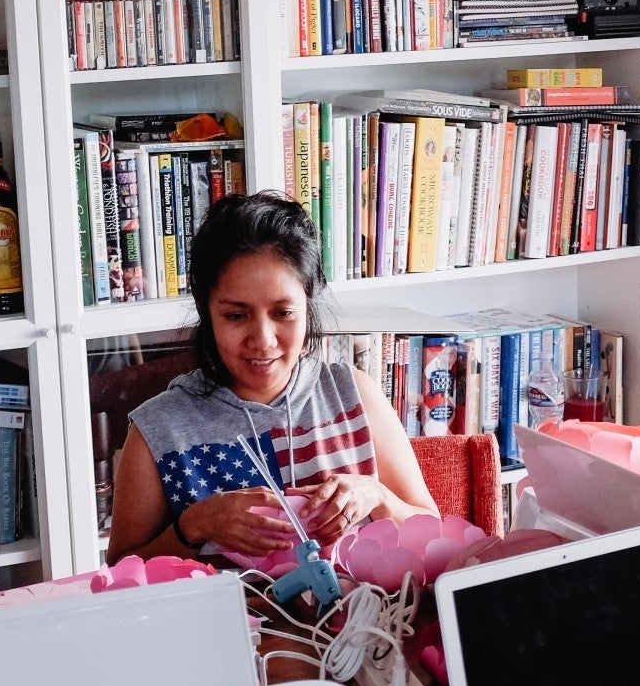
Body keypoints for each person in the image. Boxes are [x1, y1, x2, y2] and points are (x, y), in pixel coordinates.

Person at [109, 192, 439, 564]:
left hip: (363, 618)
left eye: (283, 313)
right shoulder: (158, 430)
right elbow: (120, 575)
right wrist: (193, 526)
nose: (263, 341)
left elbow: (431, 529)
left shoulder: (355, 394)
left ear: (308, 304)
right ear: (206, 311)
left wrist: (377, 496)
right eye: (236, 316)